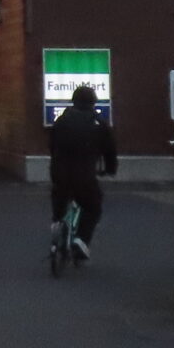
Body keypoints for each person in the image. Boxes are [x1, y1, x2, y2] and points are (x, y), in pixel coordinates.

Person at [47, 84, 120, 259]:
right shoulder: (99, 124)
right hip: (84, 175)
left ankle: (57, 221)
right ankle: (81, 240)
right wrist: (110, 169)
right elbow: (109, 151)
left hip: (59, 171)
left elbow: (52, 145)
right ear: (93, 102)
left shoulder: (62, 121)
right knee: (93, 206)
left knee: (60, 194)